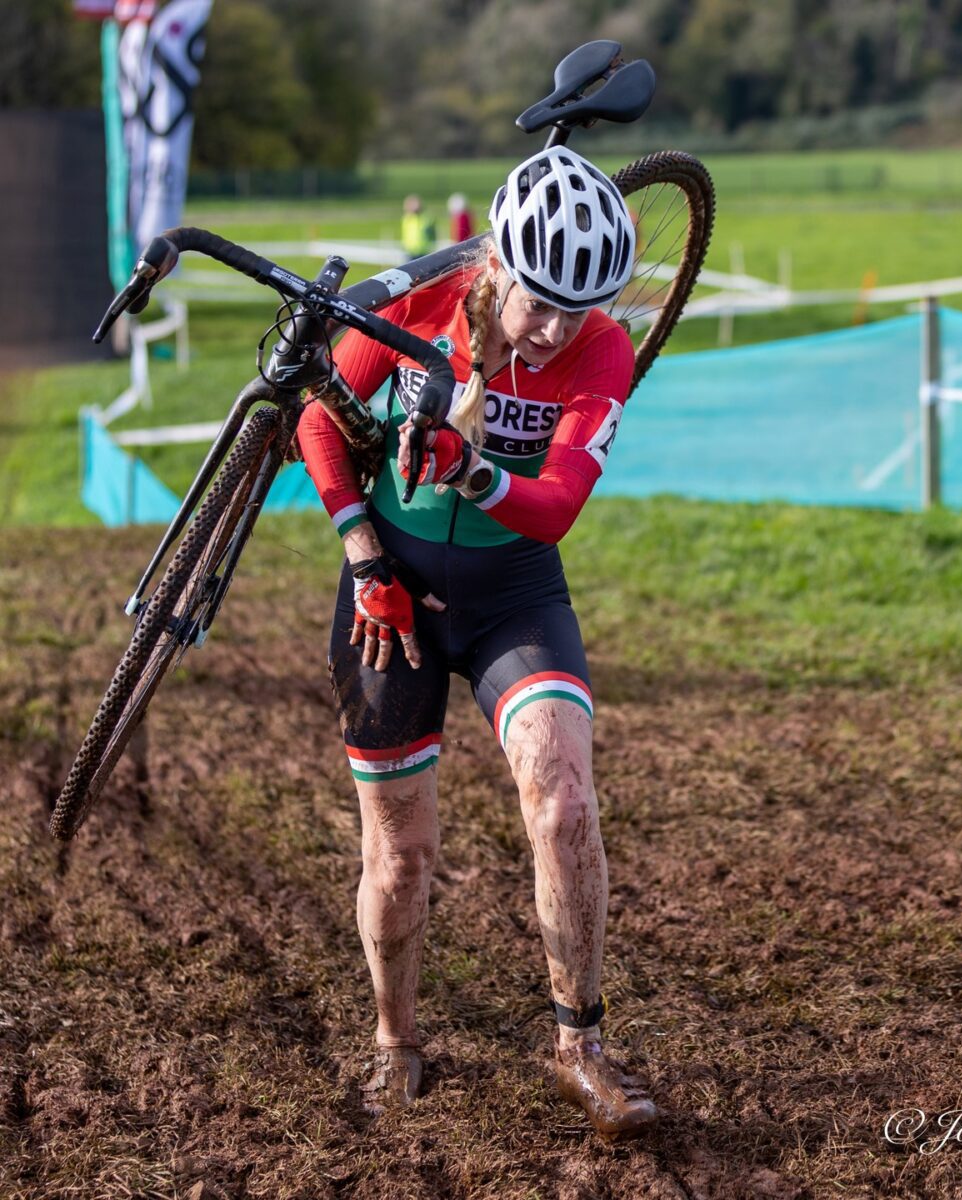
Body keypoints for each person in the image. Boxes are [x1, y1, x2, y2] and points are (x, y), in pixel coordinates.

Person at [297, 146, 656, 1141]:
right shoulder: (423, 305)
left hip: (512, 595)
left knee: (566, 796)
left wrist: (470, 471)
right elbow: (319, 426)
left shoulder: (601, 351)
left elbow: (555, 508)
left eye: (574, 312)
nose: (549, 330)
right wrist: (365, 557)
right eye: (535, 302)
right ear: (496, 264)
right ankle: (394, 1040)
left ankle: (580, 1043)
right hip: (392, 590)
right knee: (402, 855)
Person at [399, 194, 437, 258]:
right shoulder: (406, 218)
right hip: (409, 251)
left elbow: (433, 234)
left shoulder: (426, 218)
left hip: (423, 251)